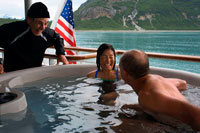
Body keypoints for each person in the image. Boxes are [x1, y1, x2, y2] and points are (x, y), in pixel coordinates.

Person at [119, 49, 200, 131]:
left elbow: (196, 116)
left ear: (125, 73)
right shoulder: (155, 79)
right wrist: (132, 106)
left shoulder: (148, 95)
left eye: (120, 68)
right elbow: (182, 83)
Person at [0, 2, 69, 73]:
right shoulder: (12, 30)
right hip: (11, 76)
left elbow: (58, 38)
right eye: (39, 23)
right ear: (29, 20)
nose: (43, 27)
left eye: (46, 23)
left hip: (34, 76)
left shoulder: (46, 33)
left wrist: (60, 53)